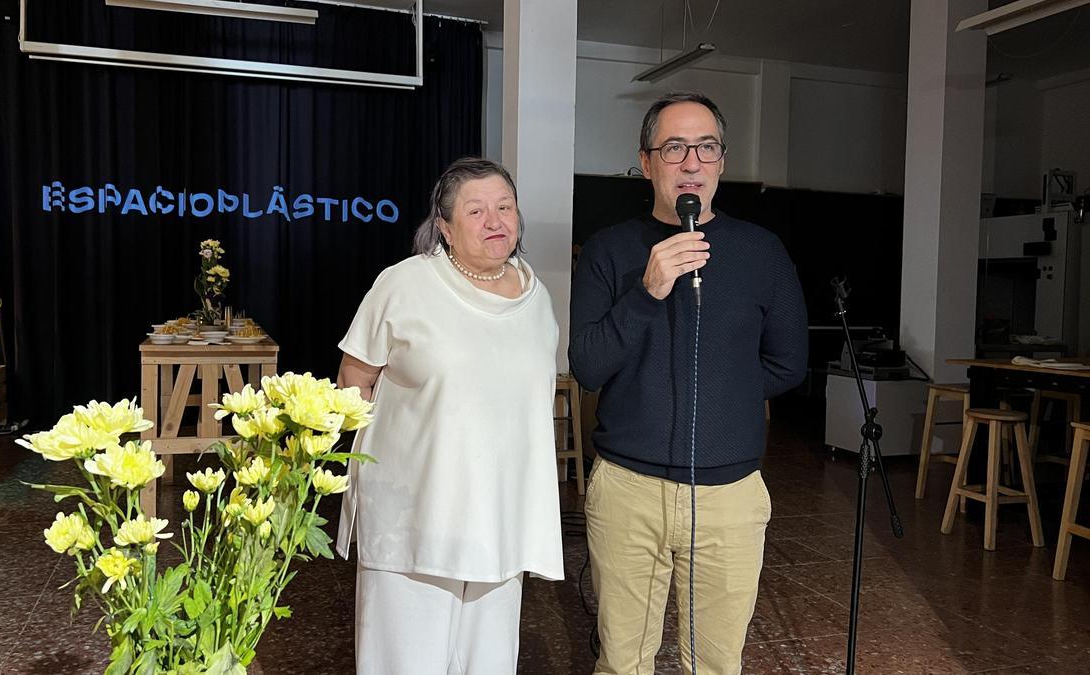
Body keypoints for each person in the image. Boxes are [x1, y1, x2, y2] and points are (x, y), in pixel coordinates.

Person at [569, 91, 808, 674]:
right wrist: (647, 292)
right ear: (647, 162)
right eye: (674, 147)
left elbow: (788, 362)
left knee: (716, 665)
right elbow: (589, 366)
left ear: (722, 162)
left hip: (729, 496)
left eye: (706, 147)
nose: (692, 161)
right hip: (628, 490)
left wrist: (719, 396)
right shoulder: (610, 250)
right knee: (623, 663)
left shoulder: (761, 252)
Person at [335, 157, 564, 674]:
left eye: (505, 207)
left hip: (500, 517)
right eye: (476, 210)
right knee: (405, 660)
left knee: (486, 661)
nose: (495, 221)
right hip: (415, 517)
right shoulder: (405, 284)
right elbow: (356, 376)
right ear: (444, 226)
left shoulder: (536, 296)